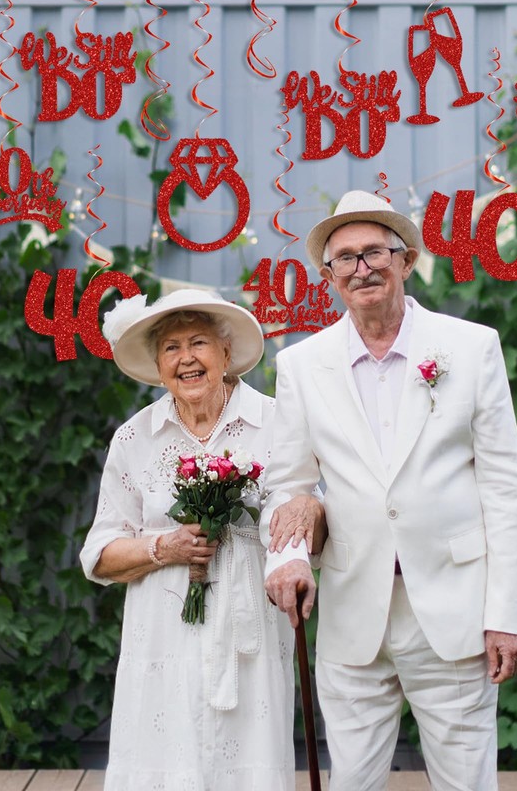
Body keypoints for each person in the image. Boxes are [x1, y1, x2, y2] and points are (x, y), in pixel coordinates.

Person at [263, 190, 517, 791]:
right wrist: (289, 558)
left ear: (405, 260)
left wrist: (507, 615)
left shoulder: (471, 347)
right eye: (345, 258)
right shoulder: (302, 365)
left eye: (374, 253)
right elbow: (287, 485)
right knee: (352, 782)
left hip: (455, 609)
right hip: (352, 609)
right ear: (329, 277)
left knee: (466, 783)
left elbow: (505, 489)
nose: (362, 268)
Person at [80, 288, 323, 791]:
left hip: (249, 638)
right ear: (158, 365)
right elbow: (100, 555)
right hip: (163, 640)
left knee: (249, 765)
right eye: (171, 347)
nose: (186, 358)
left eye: (198, 343)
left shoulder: (276, 423)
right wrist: (163, 548)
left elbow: (312, 529)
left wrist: (312, 511)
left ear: (226, 352)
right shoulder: (134, 438)